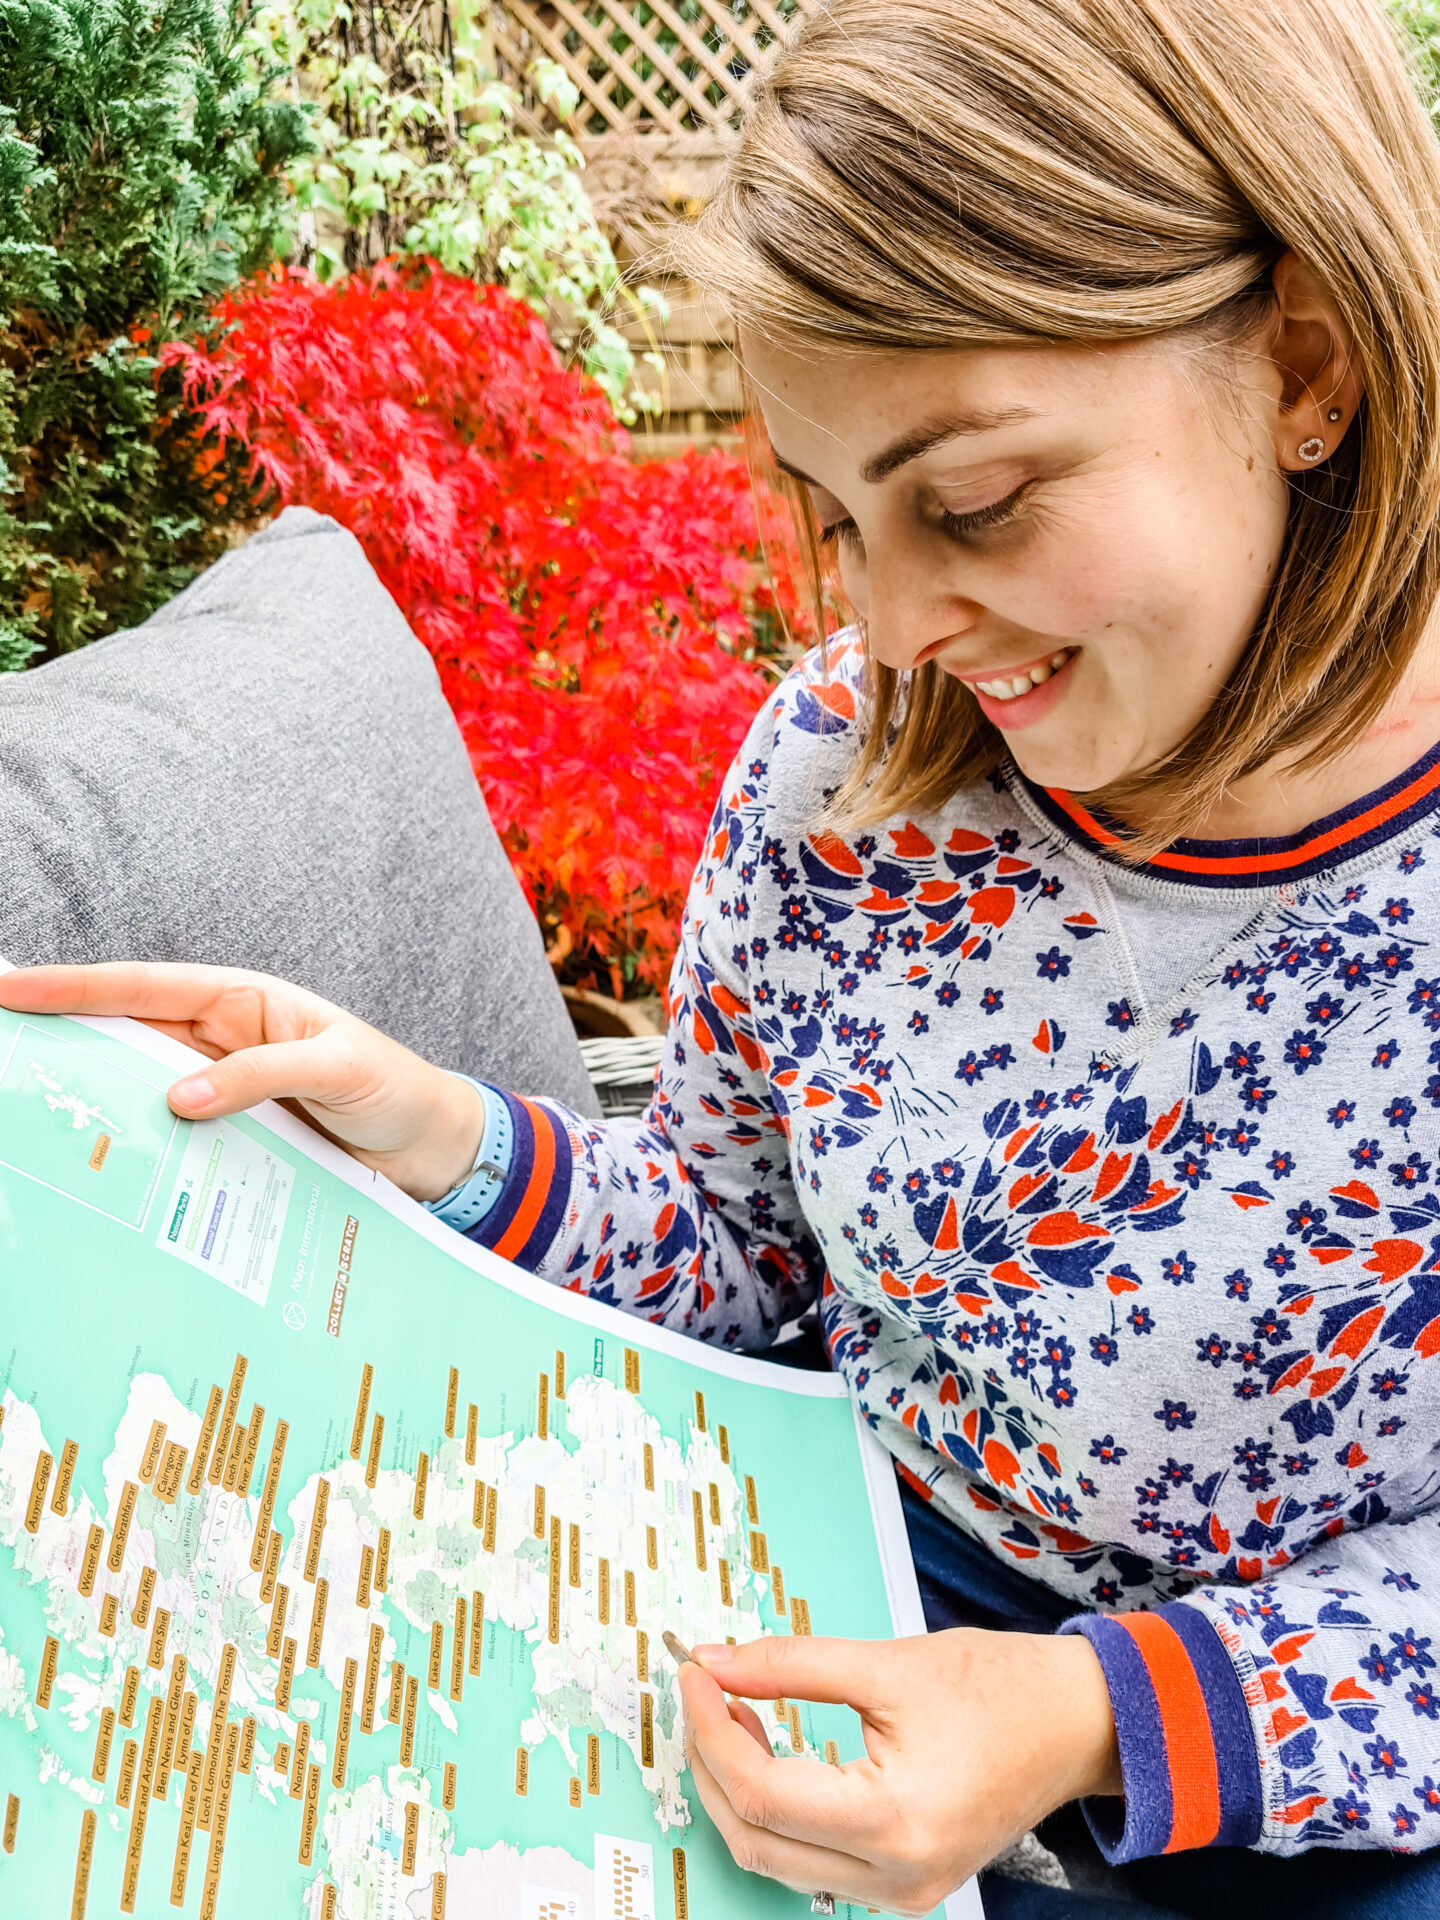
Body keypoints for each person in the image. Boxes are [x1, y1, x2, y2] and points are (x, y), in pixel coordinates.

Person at [8, 0, 1440, 1911]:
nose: (899, 625)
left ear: (1309, 369)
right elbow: (742, 1247)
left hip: (1307, 1806)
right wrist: (443, 1134)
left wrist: (1090, 1711)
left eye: (978, 503)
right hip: (821, 1636)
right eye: (837, 515)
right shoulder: (843, 773)